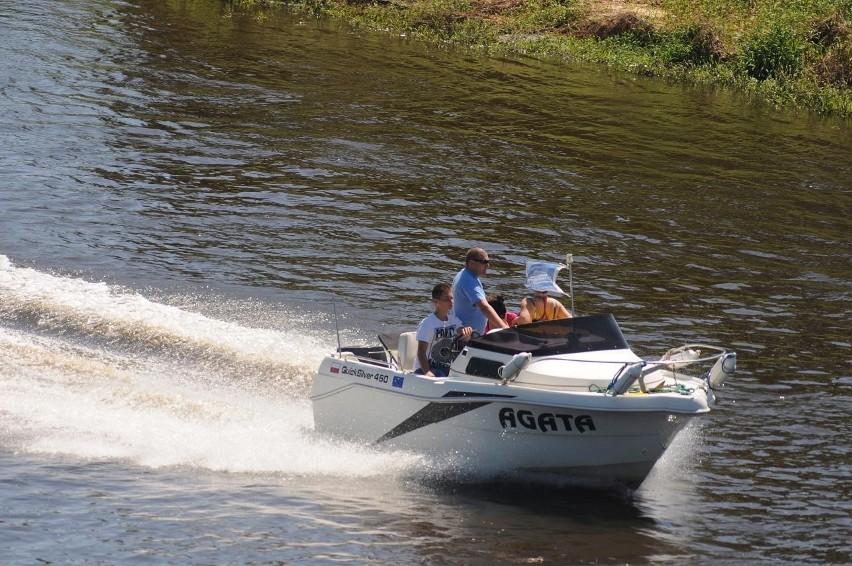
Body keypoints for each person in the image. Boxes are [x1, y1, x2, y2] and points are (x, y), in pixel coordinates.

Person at [415, 283, 473, 377]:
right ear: (436, 302)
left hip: (445, 367)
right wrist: (427, 372)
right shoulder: (427, 323)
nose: (451, 301)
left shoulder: (453, 320)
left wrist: (467, 333)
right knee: (440, 374)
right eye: (446, 299)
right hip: (425, 368)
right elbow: (421, 352)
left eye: (452, 298)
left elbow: (462, 332)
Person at [451, 247, 509, 335]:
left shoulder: (464, 274)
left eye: (488, 262)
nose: (488, 265)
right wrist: (504, 327)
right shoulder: (469, 282)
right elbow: (484, 307)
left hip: (463, 333)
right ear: (471, 263)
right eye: (484, 262)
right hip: (466, 338)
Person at [514, 260, 573, 325]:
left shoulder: (528, 303)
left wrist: (518, 320)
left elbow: (524, 323)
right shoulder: (556, 304)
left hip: (533, 334)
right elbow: (572, 323)